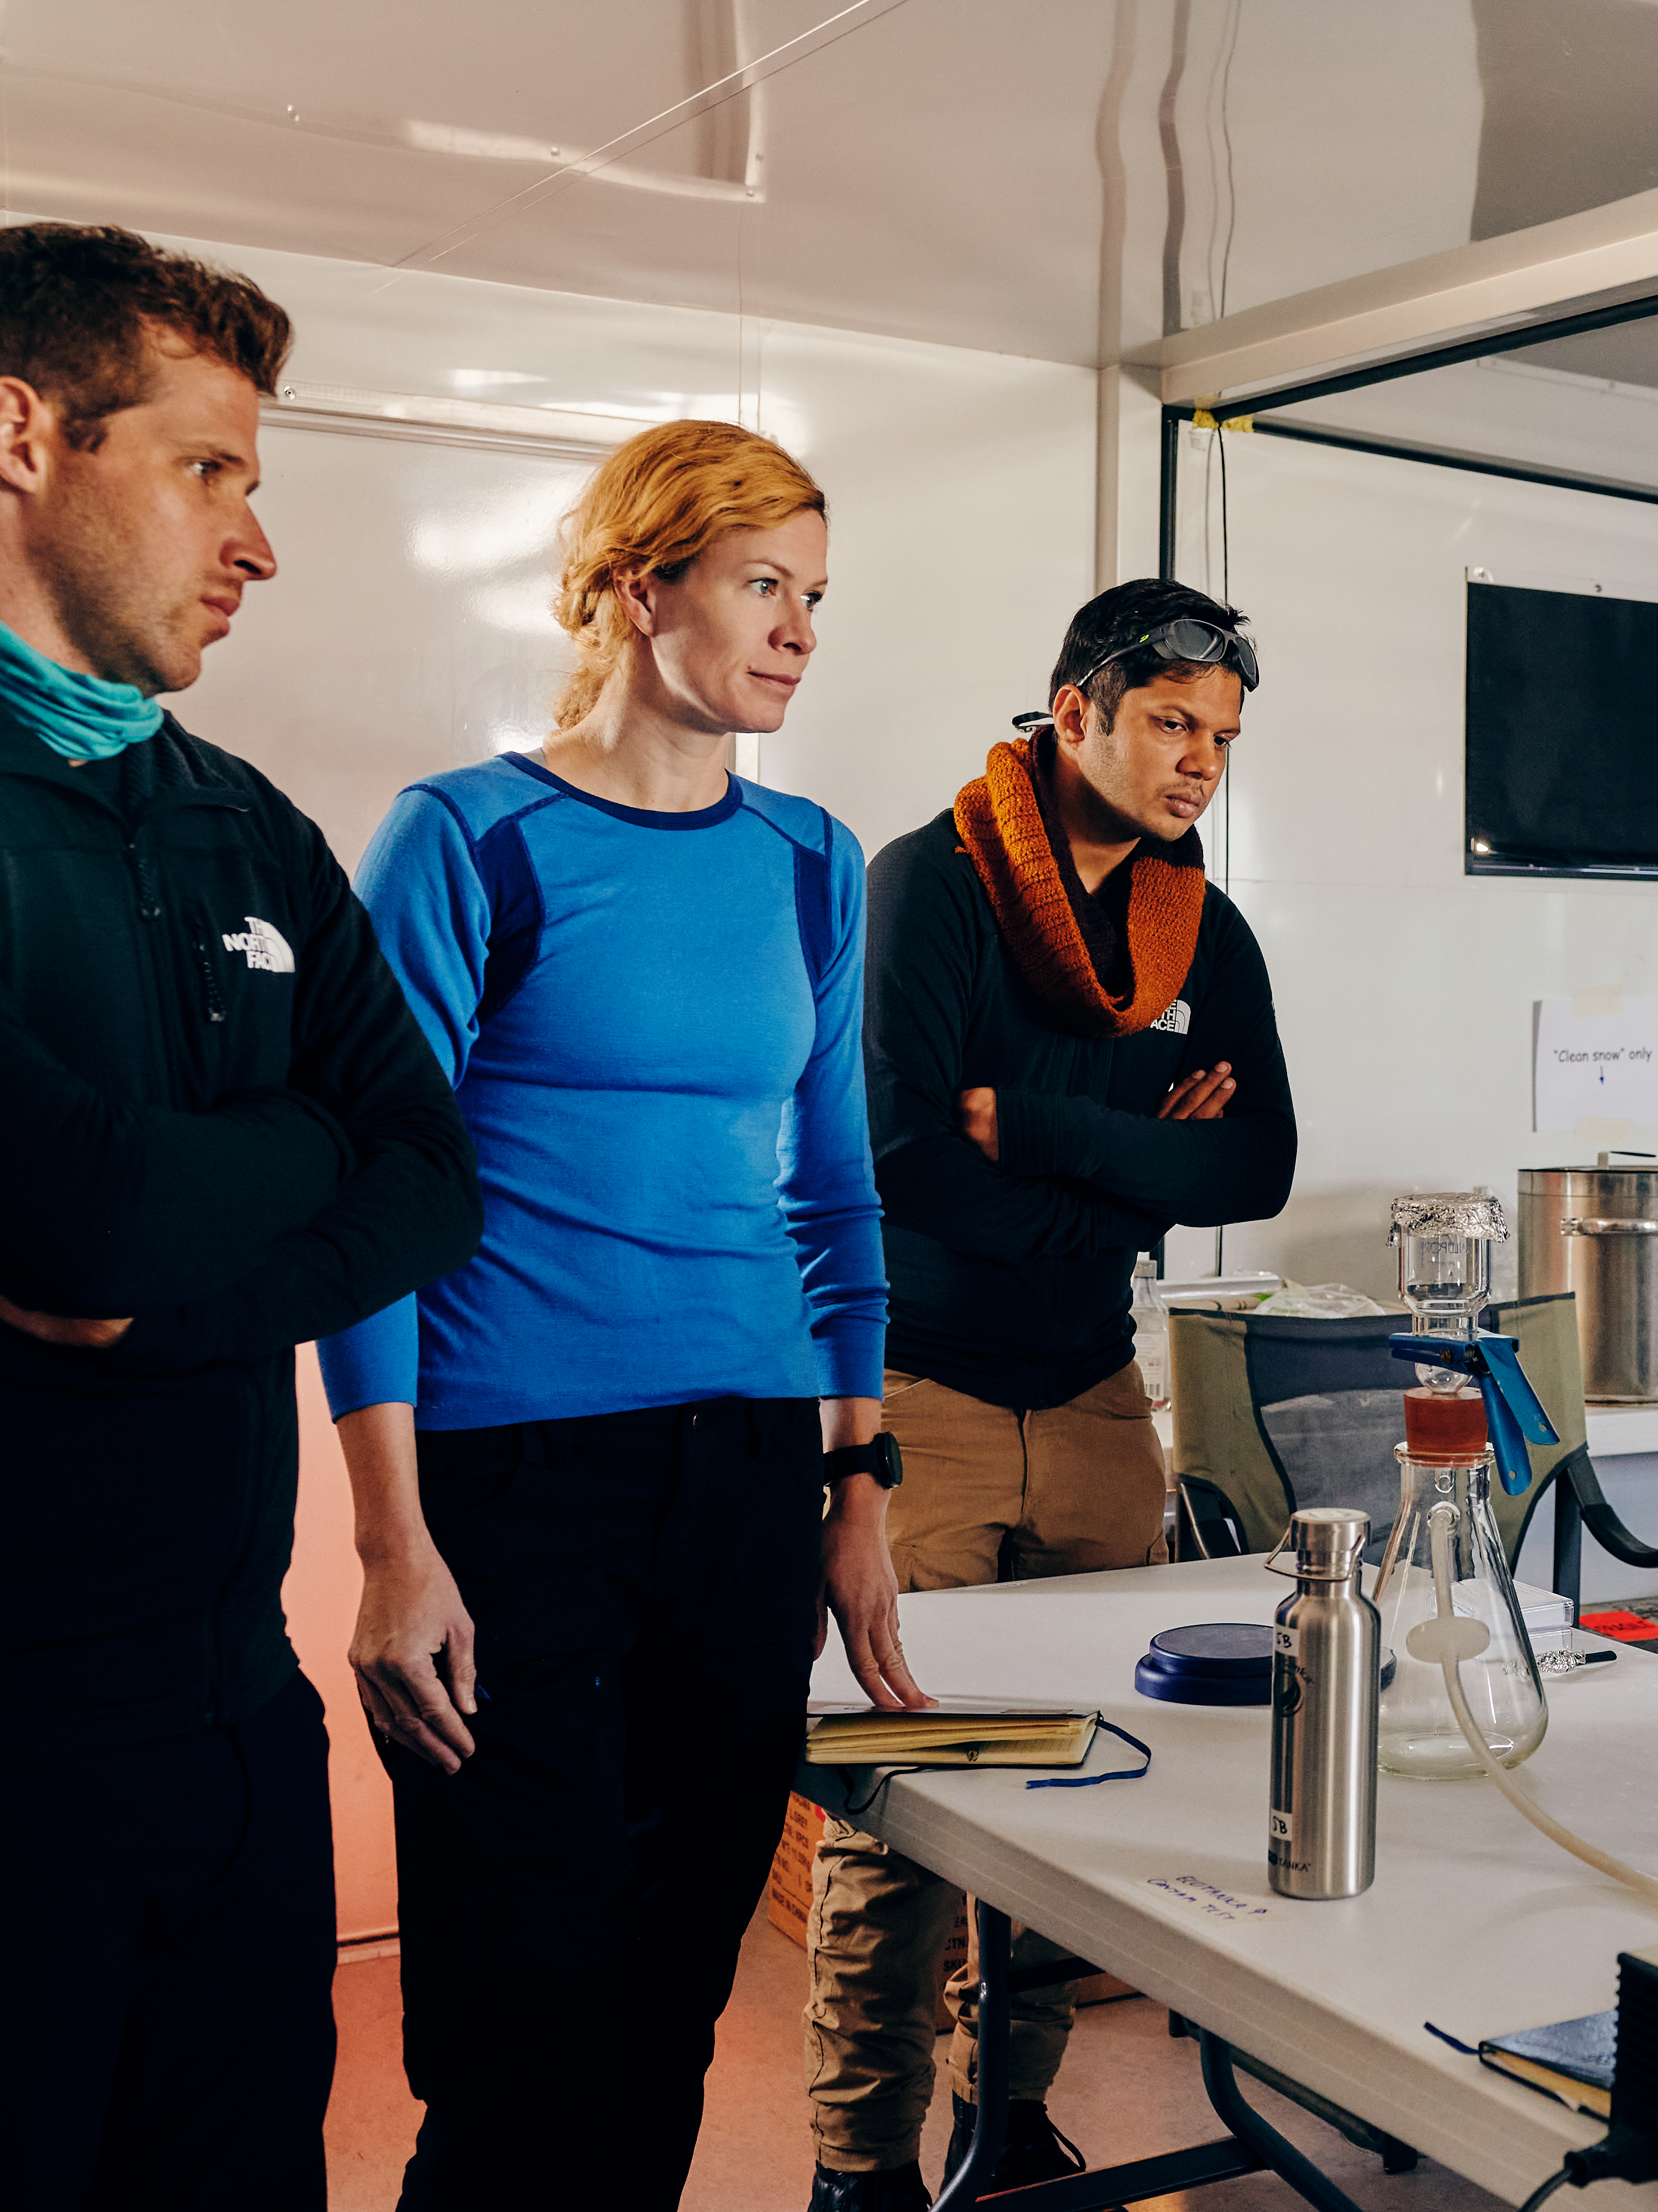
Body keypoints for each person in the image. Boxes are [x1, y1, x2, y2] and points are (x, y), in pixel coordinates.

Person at [319, 419, 925, 2208]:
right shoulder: (466, 841)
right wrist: (390, 1543)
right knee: (522, 2024)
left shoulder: (811, 862)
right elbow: (376, 1204)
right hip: (520, 1485)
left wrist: (859, 1484)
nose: (800, 628)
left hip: (742, 1482)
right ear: (636, 582)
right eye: (762, 583)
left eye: (816, 595)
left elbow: (831, 1194)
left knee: (671, 1998)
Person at [0, 221, 483, 2209]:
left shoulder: (235, 814)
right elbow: (81, 1213)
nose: (254, 541)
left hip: (232, 1720)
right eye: (209, 469)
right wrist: (292, 1142)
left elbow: (434, 1176)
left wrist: (178, 1285)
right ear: (21, 435)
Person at [808, 578, 1295, 2208]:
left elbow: (1262, 1158)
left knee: (1081, 1782)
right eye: (1170, 721)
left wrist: (1063, 1142)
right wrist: (1154, 1163)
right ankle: (859, 2168)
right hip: (924, 1387)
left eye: (1221, 736)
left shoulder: (1197, 929)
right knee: (910, 1811)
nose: (1197, 763)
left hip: (1098, 1393)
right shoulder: (927, 889)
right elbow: (898, 1160)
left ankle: (1005, 2121)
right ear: (1073, 707)